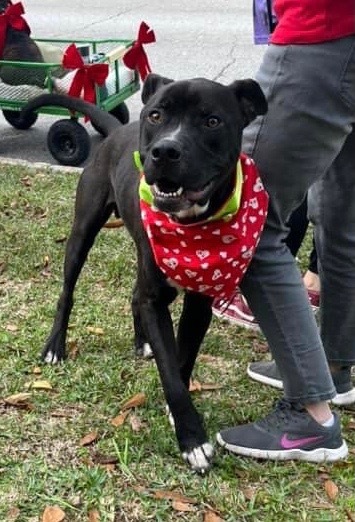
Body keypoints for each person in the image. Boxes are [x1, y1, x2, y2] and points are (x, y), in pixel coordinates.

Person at [216, 0, 355, 462]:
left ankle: (310, 418)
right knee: (341, 217)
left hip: (325, 31)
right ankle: (333, 367)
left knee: (250, 221)